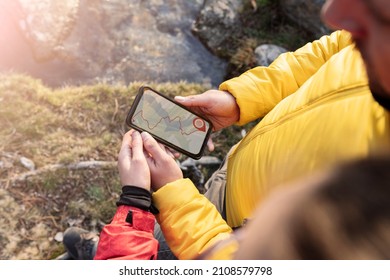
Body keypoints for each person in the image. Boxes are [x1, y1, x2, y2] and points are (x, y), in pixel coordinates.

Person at [61, 0, 390, 259]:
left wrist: (173, 199)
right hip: (235, 175)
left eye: (380, 17)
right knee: (161, 238)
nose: (331, 12)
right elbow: (332, 50)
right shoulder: (362, 32)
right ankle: (117, 248)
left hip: (233, 238)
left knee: (162, 253)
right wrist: (240, 100)